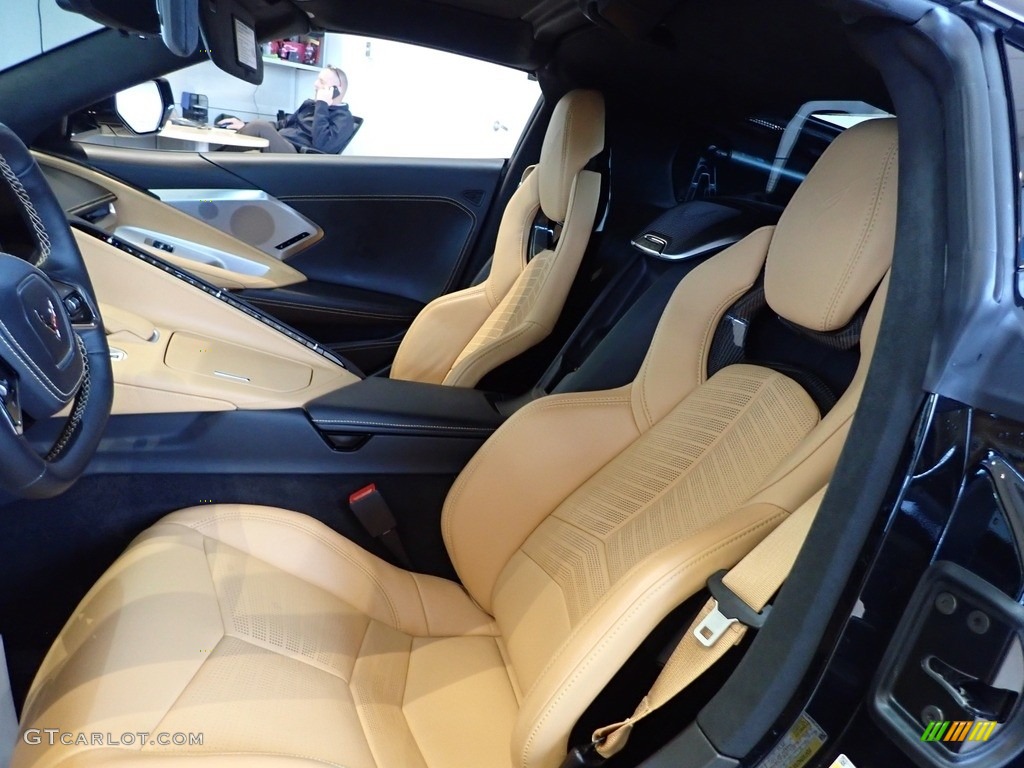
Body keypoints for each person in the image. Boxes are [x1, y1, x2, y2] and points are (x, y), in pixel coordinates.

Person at [218, 66, 354, 154]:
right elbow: (282, 124)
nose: (315, 84)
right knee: (257, 127)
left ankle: (211, 163)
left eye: (322, 82)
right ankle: (213, 160)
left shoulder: (344, 119)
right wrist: (246, 125)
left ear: (337, 90)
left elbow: (323, 145)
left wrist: (322, 104)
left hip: (298, 156)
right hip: (283, 142)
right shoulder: (310, 105)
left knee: (261, 127)